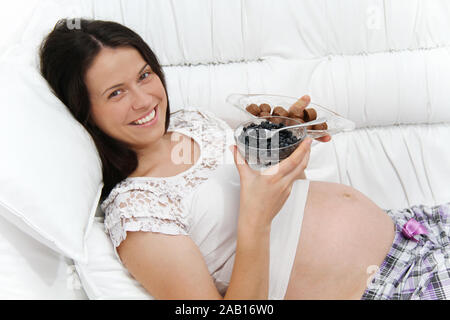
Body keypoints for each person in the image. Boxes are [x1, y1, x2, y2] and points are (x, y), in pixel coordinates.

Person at [39, 18, 450, 300]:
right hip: (394, 286)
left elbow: (284, 198)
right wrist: (255, 219)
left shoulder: (192, 121)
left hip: (414, 228)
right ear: (85, 111)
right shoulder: (135, 212)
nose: (145, 99)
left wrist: (287, 147)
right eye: (116, 93)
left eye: (144, 75)